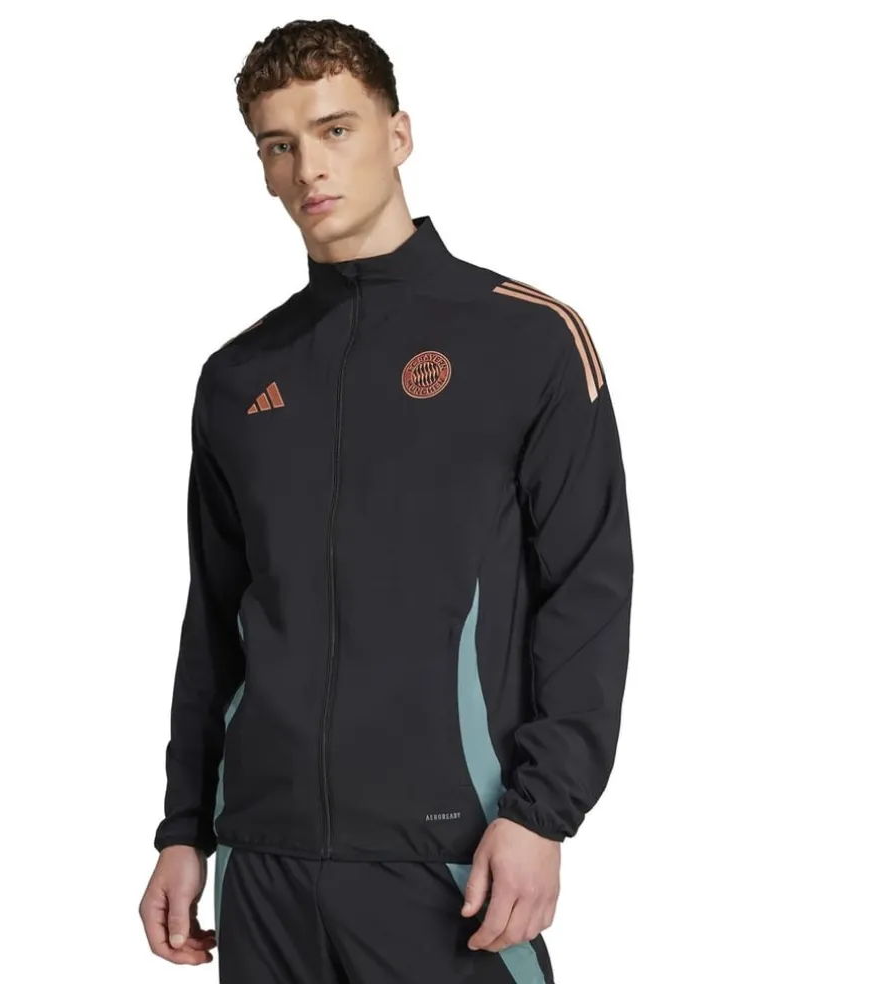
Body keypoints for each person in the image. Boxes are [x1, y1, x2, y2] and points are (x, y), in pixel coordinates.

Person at [138, 17, 633, 984]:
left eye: (335, 129)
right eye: (278, 146)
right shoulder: (238, 377)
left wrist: (542, 814)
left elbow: (589, 593)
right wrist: (184, 826)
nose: (308, 168)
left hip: (448, 862)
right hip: (263, 865)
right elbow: (215, 620)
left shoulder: (526, 342)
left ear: (398, 134)